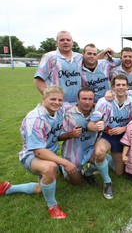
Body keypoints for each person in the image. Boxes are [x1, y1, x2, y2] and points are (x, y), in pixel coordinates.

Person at [0, 86, 75, 219]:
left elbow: (81, 104)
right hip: (32, 155)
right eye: (53, 99)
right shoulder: (35, 119)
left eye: (60, 100)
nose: (57, 102)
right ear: (43, 99)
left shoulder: (59, 109)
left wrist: (109, 96)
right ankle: (53, 206)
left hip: (48, 153)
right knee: (50, 168)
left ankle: (8, 188)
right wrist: (65, 163)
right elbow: (39, 152)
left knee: (42, 188)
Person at [87, 74, 132, 200]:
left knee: (119, 172)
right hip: (107, 135)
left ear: (128, 87)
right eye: (118, 85)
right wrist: (97, 126)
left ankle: (96, 164)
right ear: (113, 87)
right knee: (100, 153)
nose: (121, 88)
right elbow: (92, 123)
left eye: (123, 85)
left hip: (123, 137)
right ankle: (107, 182)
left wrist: (124, 128)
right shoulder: (103, 102)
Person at [58, 88, 99, 185]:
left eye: (90, 99)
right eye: (84, 99)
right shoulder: (68, 114)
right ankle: (62, 167)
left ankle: (88, 173)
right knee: (76, 182)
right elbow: (58, 137)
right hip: (73, 153)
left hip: (90, 149)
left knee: (101, 155)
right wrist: (71, 134)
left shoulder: (98, 111)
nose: (87, 102)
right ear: (77, 99)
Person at [34, 31, 82, 104]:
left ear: (72, 42)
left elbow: (94, 61)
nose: (65, 42)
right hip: (57, 105)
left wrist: (104, 52)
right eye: (62, 40)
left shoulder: (79, 57)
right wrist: (50, 97)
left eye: (68, 40)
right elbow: (38, 80)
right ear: (56, 43)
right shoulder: (50, 57)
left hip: (77, 104)